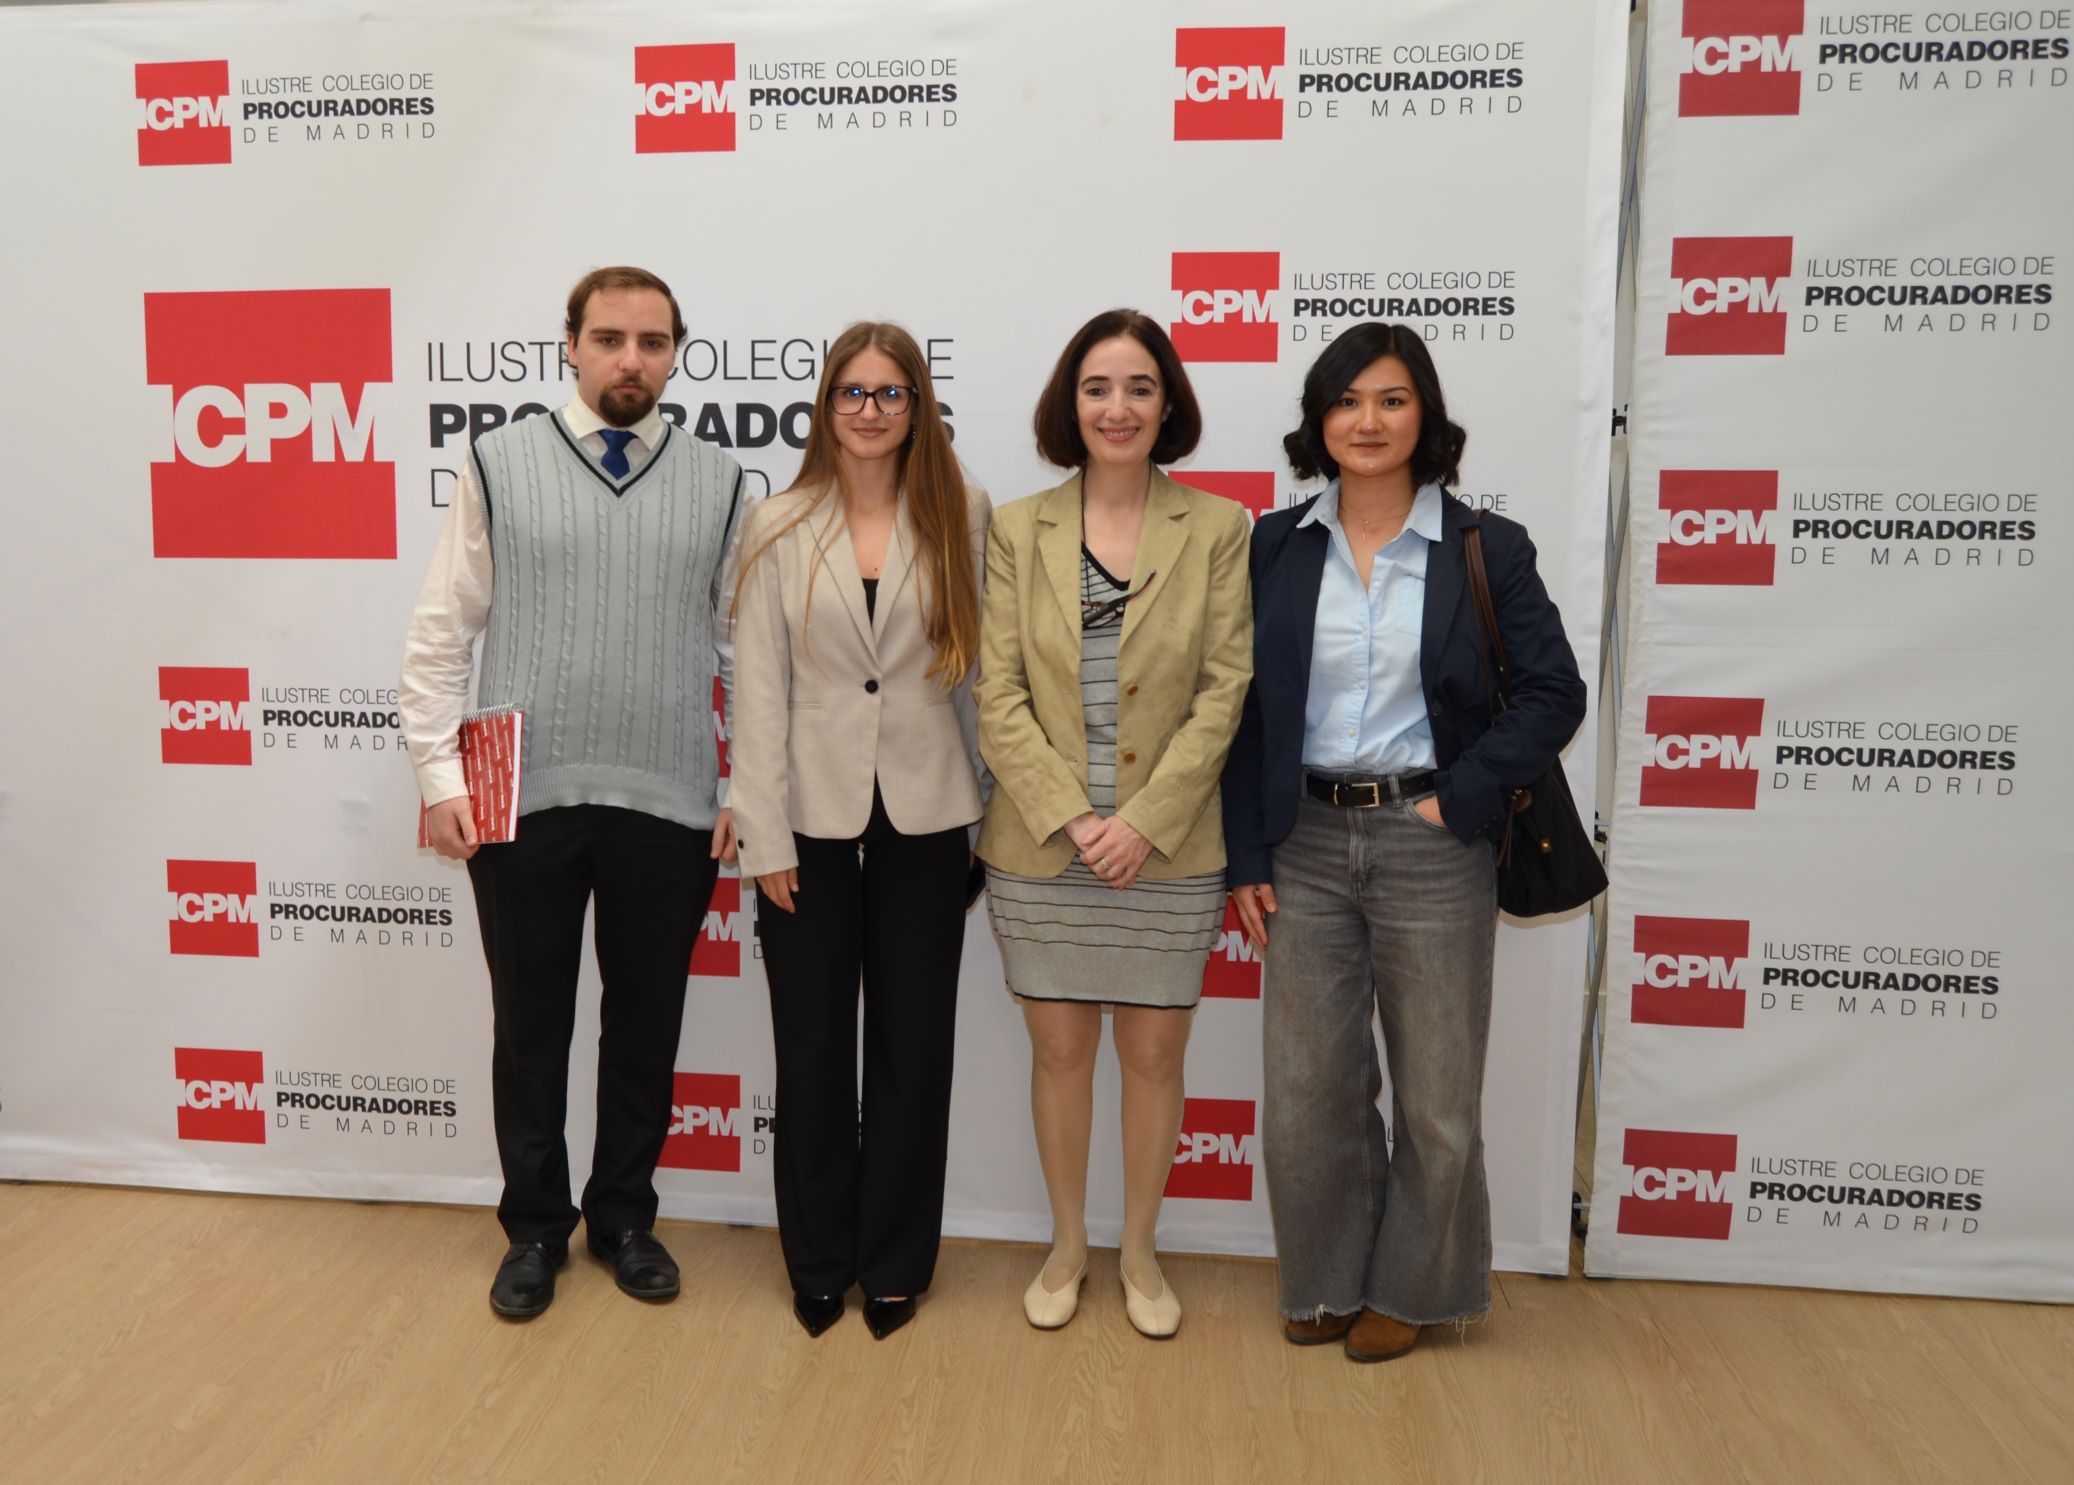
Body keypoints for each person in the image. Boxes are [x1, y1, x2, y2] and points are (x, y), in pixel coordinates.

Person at [1221, 322, 1586, 1362]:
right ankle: (1327, 1278)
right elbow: (1243, 712)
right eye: (1345, 401)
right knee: (1308, 1094)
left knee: (1435, 1097)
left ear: (1425, 414)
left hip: (1433, 842)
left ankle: (1416, 1291)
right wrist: (1246, 855)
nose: (1367, 421)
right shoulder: (1274, 545)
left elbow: (1555, 691)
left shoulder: (1484, 546)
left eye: (1390, 399)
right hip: (1301, 841)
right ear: (1318, 420)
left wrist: (1458, 797)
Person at [400, 266, 748, 1320]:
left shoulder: (724, 482)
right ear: (570, 344)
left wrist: (748, 783)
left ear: (677, 352)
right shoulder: (500, 461)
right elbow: (443, 629)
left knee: (646, 1025)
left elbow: (745, 649)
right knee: (530, 1027)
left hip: (671, 799)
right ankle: (535, 1228)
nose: (630, 360)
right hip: (517, 795)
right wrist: (438, 774)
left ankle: (626, 1217)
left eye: (652, 341)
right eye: (609, 339)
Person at [976, 309, 1252, 1338]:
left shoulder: (1218, 526)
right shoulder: (1017, 527)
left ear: (1168, 403)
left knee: (1154, 1060)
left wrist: (1141, 821)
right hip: (1042, 846)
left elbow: (1224, 690)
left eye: (1140, 387)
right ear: (1071, 402)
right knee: (1057, 1056)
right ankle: (1065, 1244)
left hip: (1167, 848)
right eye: (1097, 387)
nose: (1118, 407)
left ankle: (1138, 1249)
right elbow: (997, 693)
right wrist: (1072, 815)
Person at [729, 321, 989, 1343]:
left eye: (890, 393)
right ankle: (817, 1260)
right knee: (811, 1048)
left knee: (913, 1050)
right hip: (807, 824)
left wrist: (988, 817)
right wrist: (765, 836)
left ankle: (893, 1264)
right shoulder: (778, 521)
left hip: (931, 814)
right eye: (852, 392)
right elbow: (759, 689)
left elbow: (984, 677)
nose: (870, 410)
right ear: (825, 406)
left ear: (918, 408)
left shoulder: (962, 511)